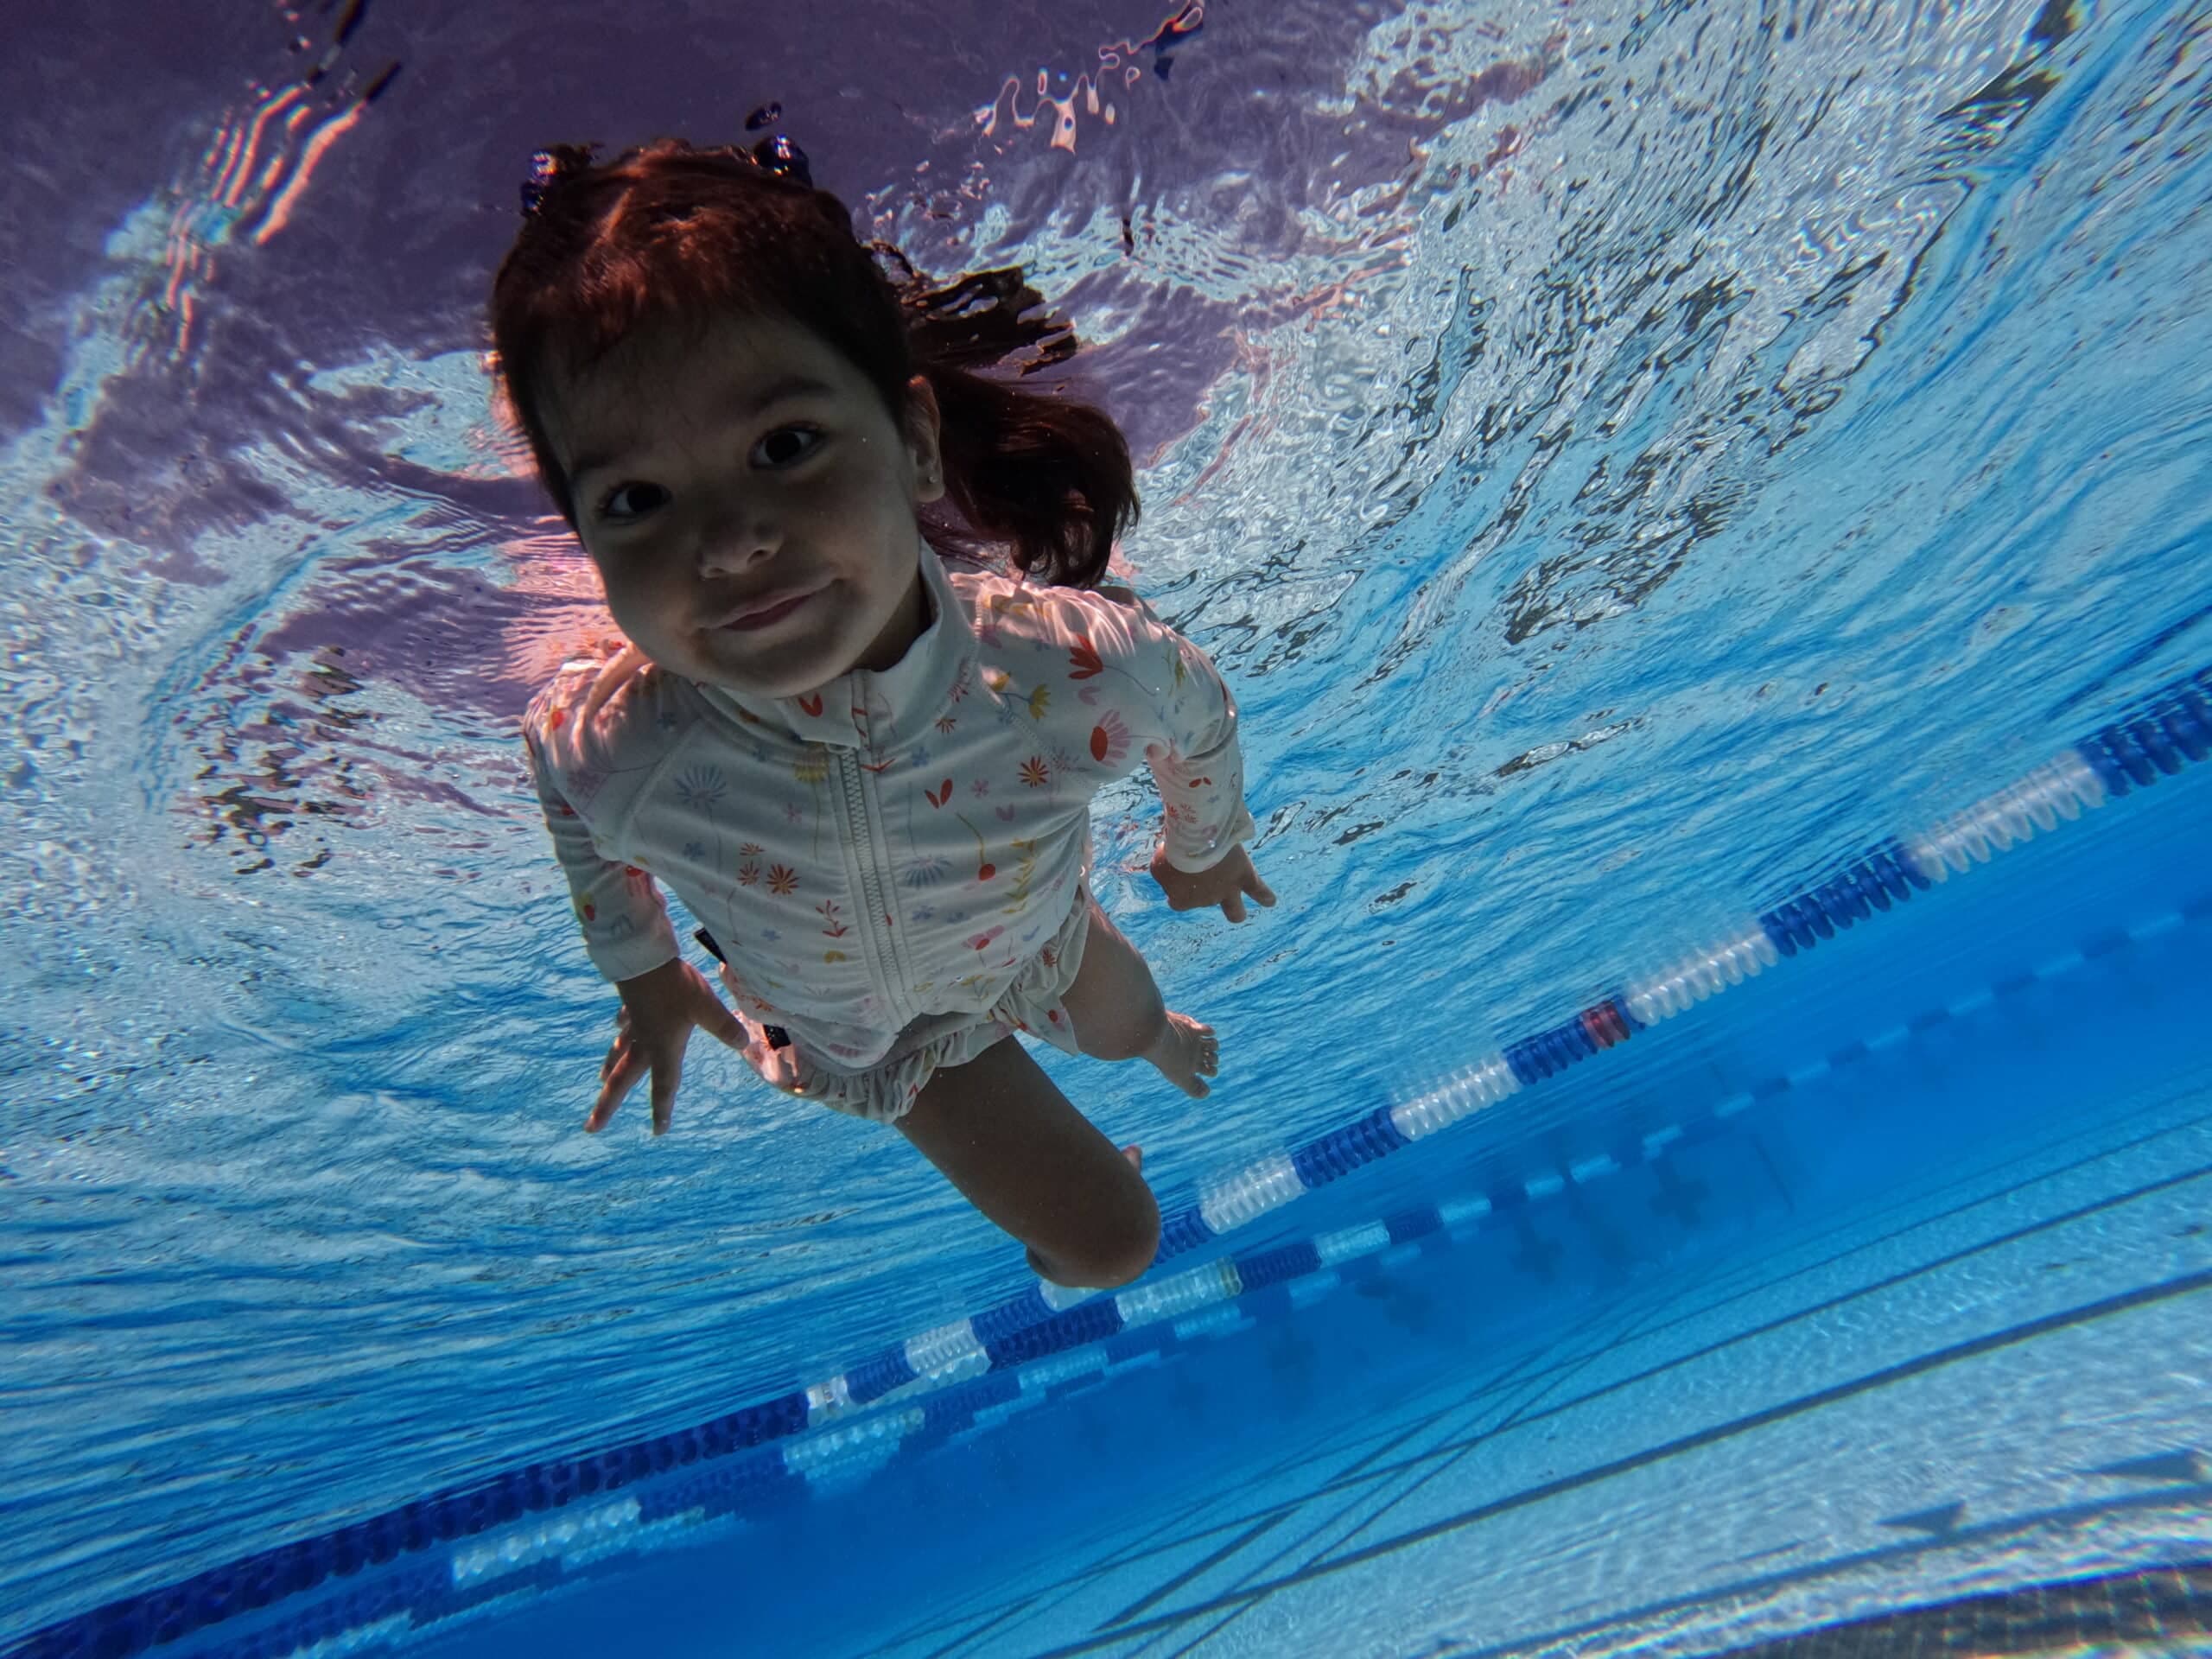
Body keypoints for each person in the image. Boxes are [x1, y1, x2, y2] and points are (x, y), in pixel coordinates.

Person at [496, 136, 1274, 1290]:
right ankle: (1067, 1134)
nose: (727, 542)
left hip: (1033, 933)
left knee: (1127, 1021)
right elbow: (567, 796)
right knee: (1112, 1244)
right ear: (585, 544)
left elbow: (1197, 708)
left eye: (786, 446)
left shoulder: (1056, 669)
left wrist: (1202, 846)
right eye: (638, 500)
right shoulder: (626, 742)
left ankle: (1150, 1041)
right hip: (884, 1045)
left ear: (913, 444)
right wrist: (646, 974)